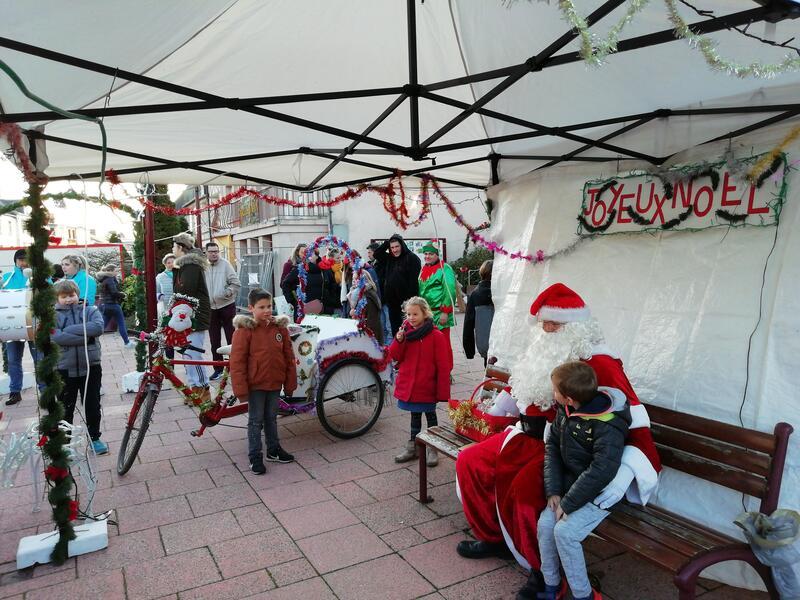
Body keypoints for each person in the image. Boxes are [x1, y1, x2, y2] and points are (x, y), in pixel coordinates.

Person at [454, 283, 661, 595]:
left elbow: (632, 419)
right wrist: (494, 415)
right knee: (471, 460)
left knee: (526, 492)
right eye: (544, 322)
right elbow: (520, 386)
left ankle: (544, 573)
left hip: (564, 446)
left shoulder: (598, 363)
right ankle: (494, 537)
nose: (547, 328)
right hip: (526, 435)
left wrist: (625, 473)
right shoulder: (539, 350)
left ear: (577, 326)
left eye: (556, 323)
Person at [535, 361, 630, 600]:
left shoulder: (607, 423)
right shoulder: (565, 411)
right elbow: (553, 448)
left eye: (555, 390)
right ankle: (552, 585)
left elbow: (602, 470)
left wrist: (569, 503)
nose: (552, 394)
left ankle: (584, 595)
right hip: (569, 487)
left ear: (568, 398)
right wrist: (554, 491)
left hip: (601, 493)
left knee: (565, 534)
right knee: (546, 525)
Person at [229, 288, 297, 475]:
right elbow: (237, 362)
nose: (267, 310)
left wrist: (290, 383)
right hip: (256, 385)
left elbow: (288, 356)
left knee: (271, 418)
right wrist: (241, 390)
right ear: (251, 308)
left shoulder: (279, 329)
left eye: (269, 306)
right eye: (261, 307)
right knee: (255, 421)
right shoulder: (245, 331)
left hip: (274, 382)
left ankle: (273, 450)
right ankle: (255, 456)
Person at [389, 296, 452, 467]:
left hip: (427, 385)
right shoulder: (405, 333)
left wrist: (442, 391)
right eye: (408, 314)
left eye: (415, 314)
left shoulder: (436, 336)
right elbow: (395, 355)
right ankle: (414, 447)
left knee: (431, 417)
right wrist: (398, 340)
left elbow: (443, 365)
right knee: (414, 417)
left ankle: (433, 447)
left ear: (425, 313)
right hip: (411, 385)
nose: (411, 317)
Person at [51, 279, 108, 455]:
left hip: (90, 366)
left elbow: (98, 327)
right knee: (65, 406)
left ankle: (95, 438)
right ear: (57, 298)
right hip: (64, 368)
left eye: (72, 295)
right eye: (64, 296)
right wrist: (85, 337)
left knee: (92, 404)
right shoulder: (53, 316)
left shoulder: (90, 310)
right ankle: (65, 442)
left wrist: (67, 331)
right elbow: (55, 337)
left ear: (77, 294)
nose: (69, 299)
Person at [172, 233, 211, 404]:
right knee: (187, 354)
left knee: (193, 353)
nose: (172, 250)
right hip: (185, 316)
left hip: (194, 316)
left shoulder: (192, 265)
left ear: (180, 247)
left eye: (174, 247)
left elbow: (184, 290)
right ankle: (194, 387)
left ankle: (204, 388)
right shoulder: (184, 267)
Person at [2, 249, 36, 406]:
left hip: (34, 324)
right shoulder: (7, 278)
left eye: (26, 260)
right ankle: (15, 392)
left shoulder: (37, 276)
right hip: (11, 325)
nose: (24, 263)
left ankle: (44, 391)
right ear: (15, 261)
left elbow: (49, 292)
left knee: (39, 359)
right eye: (21, 260)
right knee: (13, 360)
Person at [204, 242, 241, 381]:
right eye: (211, 251)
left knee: (232, 338)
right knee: (214, 340)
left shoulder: (225, 264)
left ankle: (235, 367)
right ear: (206, 252)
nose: (214, 254)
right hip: (210, 308)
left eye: (216, 251)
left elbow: (236, 283)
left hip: (226, 306)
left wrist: (228, 293)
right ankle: (218, 368)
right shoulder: (203, 267)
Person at [373, 234, 421, 336]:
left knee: (409, 330)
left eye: (397, 246)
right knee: (396, 331)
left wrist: (411, 302)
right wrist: (387, 242)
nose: (395, 250)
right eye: (392, 247)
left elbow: (413, 283)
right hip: (392, 302)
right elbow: (377, 254)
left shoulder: (412, 258)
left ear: (402, 245)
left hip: (407, 303)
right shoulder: (389, 258)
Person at [417, 241, 457, 350]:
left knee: (442, 344)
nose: (427, 256)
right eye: (425, 254)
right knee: (428, 344)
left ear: (436, 255)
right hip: (426, 314)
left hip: (440, 314)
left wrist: (445, 312)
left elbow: (450, 290)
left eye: (430, 254)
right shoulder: (423, 268)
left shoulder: (445, 268)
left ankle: (445, 367)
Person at [462, 260, 494, 366]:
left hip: (485, 343)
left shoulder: (475, 295)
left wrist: (469, 350)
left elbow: (468, 323)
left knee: (489, 371)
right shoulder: (503, 293)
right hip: (504, 342)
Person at [96, 264, 135, 348]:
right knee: (121, 323)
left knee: (103, 325)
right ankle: (127, 343)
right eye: (115, 271)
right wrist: (123, 295)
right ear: (110, 271)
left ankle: (92, 341)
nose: (117, 273)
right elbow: (114, 293)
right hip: (112, 305)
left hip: (103, 305)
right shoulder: (109, 279)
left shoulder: (103, 279)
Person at [345, 266, 384, 345]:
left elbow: (372, 321)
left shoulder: (368, 297)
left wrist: (355, 314)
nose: (354, 282)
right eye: (353, 279)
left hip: (370, 338)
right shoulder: (356, 295)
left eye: (356, 279)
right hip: (361, 335)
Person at [367, 242, 392, 343]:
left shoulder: (384, 263)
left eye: (370, 252)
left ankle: (390, 348)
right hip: (378, 299)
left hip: (386, 298)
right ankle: (383, 347)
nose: (368, 255)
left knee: (389, 326)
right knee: (382, 326)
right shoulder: (371, 264)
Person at [280, 243, 307, 319]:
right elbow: (283, 283)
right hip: (296, 300)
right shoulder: (289, 265)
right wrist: (291, 300)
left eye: (306, 252)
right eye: (302, 252)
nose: (304, 254)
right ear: (297, 252)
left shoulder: (308, 265)